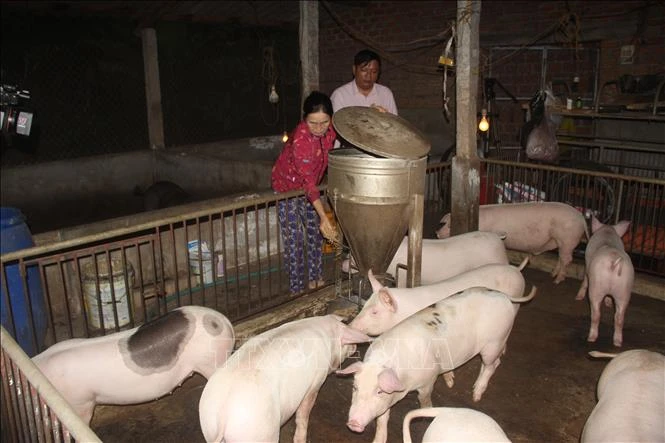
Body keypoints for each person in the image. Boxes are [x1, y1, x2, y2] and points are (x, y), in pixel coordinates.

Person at [271, 91, 338, 295]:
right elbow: (307, 182)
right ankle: (297, 288)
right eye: (312, 123)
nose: (319, 128)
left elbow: (353, 123)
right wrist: (323, 215)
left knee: (315, 234)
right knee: (295, 239)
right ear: (304, 119)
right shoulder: (301, 140)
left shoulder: (332, 130)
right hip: (287, 189)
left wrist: (374, 114)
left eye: (324, 122)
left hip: (311, 188)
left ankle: (315, 278)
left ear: (331, 119)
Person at [330, 49, 398, 115]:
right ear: (354, 70)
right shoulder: (340, 96)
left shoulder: (385, 94)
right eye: (364, 70)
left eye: (374, 72)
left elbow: (394, 121)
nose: (368, 76)